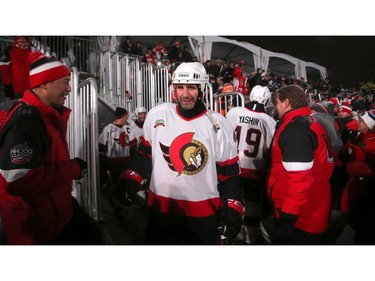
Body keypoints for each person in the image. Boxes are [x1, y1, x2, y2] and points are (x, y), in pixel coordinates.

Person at [114, 62, 243, 245]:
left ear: (202, 89)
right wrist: (131, 177)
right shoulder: (157, 115)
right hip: (161, 211)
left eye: (191, 87)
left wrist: (232, 211)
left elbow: (229, 175)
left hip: (203, 215)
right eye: (180, 87)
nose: (185, 94)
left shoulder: (219, 124)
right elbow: (145, 154)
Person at [0, 51, 91, 244]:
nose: (69, 89)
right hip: (35, 230)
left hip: (52, 217)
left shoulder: (44, 115)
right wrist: (73, 168)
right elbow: (18, 180)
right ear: (43, 83)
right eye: (65, 81)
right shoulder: (27, 120)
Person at [264, 85, 334, 245]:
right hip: (311, 206)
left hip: (303, 216)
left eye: (278, 103)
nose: (277, 107)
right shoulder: (306, 122)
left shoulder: (297, 129)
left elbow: (300, 180)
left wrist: (288, 217)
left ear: (286, 102)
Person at [226, 85, 276, 244]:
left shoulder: (234, 112)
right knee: (253, 209)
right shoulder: (269, 121)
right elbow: (269, 148)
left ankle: (227, 236)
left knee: (230, 204)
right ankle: (250, 240)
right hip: (254, 171)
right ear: (266, 100)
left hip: (233, 167)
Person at [339, 109, 375, 244]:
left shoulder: (371, 145)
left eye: (362, 121)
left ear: (370, 125)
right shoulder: (358, 140)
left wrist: (364, 170)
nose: (358, 122)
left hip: (366, 193)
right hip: (354, 188)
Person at [98, 106, 135, 188]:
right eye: (126, 116)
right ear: (121, 117)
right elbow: (101, 144)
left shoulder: (128, 128)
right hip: (114, 163)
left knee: (125, 184)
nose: (127, 118)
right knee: (115, 184)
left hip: (127, 162)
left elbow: (133, 143)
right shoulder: (108, 128)